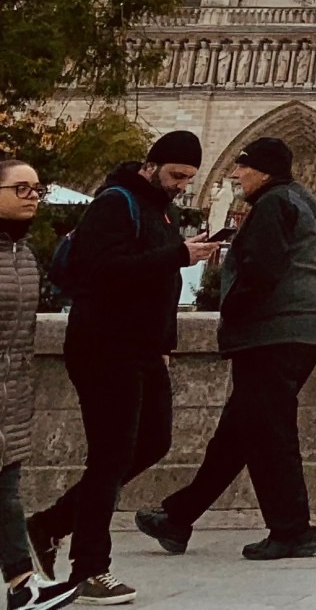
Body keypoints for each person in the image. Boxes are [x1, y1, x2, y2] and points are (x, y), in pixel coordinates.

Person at [27, 131, 218, 609]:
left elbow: (154, 286)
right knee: (110, 457)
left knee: (154, 442)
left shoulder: (158, 209)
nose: (180, 185)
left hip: (142, 348)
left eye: (188, 179)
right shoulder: (115, 203)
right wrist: (180, 254)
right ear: (152, 164)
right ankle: (90, 569)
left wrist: (163, 344)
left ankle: (50, 524)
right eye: (176, 175)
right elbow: (105, 269)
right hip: (102, 345)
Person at [140, 137, 316, 563]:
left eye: (242, 168)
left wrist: (230, 307)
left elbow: (260, 271)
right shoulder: (300, 200)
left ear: (263, 171)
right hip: (303, 328)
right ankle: (178, 516)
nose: (236, 174)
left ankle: (293, 531)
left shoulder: (271, 205)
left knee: (271, 433)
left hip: (275, 332)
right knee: (241, 431)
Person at [1, 161, 77, 610]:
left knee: (6, 492)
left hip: (12, 392)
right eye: (21, 187)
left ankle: (22, 586)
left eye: (37, 189)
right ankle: (21, 586)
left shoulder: (24, 255)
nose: (32, 196)